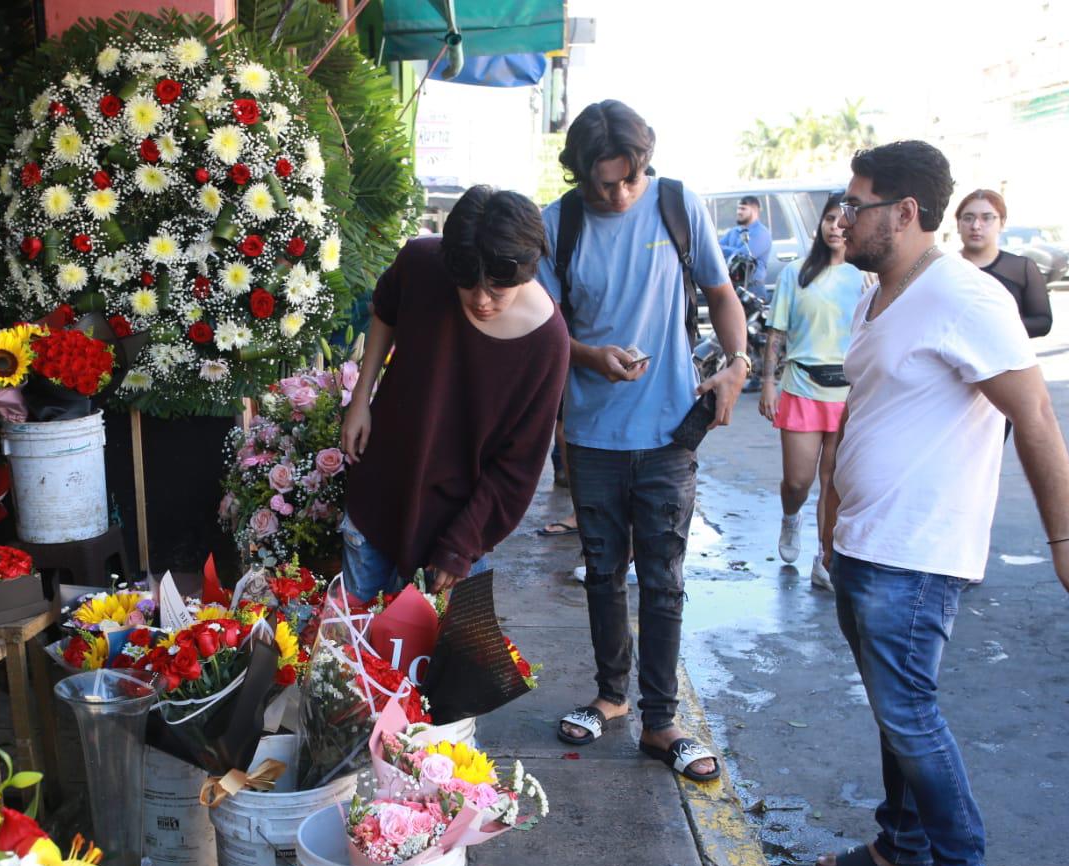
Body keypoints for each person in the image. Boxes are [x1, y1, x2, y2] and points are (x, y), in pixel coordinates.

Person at [815, 141, 1069, 866]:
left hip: (919, 551)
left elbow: (1035, 415)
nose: (844, 218)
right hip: (864, 542)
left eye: (859, 204)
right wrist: (832, 508)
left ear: (906, 213)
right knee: (893, 709)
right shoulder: (878, 293)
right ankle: (901, 848)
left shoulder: (966, 296)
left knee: (911, 717)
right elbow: (869, 411)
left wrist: (1068, 539)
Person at [539, 100, 749, 779]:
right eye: (603, 183)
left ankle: (661, 722)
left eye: (629, 178)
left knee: (663, 580)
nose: (619, 193)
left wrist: (738, 367)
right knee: (604, 572)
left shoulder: (677, 205)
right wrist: (589, 354)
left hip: (668, 433)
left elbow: (721, 295)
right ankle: (611, 698)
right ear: (579, 174)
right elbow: (541, 332)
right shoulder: (558, 226)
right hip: (593, 437)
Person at [339, 186, 569, 602]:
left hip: (457, 525)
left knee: (434, 661)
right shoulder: (422, 262)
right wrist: (361, 399)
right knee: (346, 650)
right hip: (379, 491)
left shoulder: (547, 341)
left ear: (527, 270)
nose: (481, 300)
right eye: (468, 286)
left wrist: (462, 545)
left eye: (498, 291)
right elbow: (385, 311)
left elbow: (518, 465)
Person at [759, 194, 867, 591]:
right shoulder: (795, 274)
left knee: (833, 481)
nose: (836, 227)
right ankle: (791, 517)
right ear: (819, 225)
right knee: (798, 481)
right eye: (830, 219)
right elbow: (777, 332)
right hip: (802, 386)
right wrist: (769, 381)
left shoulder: (864, 277)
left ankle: (825, 560)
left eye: (844, 220)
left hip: (849, 392)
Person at [954, 188, 1052, 338]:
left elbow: (1042, 322)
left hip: (1008, 359)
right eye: (968, 218)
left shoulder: (1023, 268)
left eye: (987, 218)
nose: (976, 226)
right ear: (958, 224)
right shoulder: (944, 268)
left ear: (1002, 223)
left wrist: (994, 324)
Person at [719, 195, 773, 300]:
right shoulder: (734, 232)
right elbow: (716, 250)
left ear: (755, 211)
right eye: (738, 208)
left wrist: (727, 250)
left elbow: (743, 256)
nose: (739, 212)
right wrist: (735, 251)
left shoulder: (761, 233)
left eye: (743, 209)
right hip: (733, 287)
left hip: (753, 288)